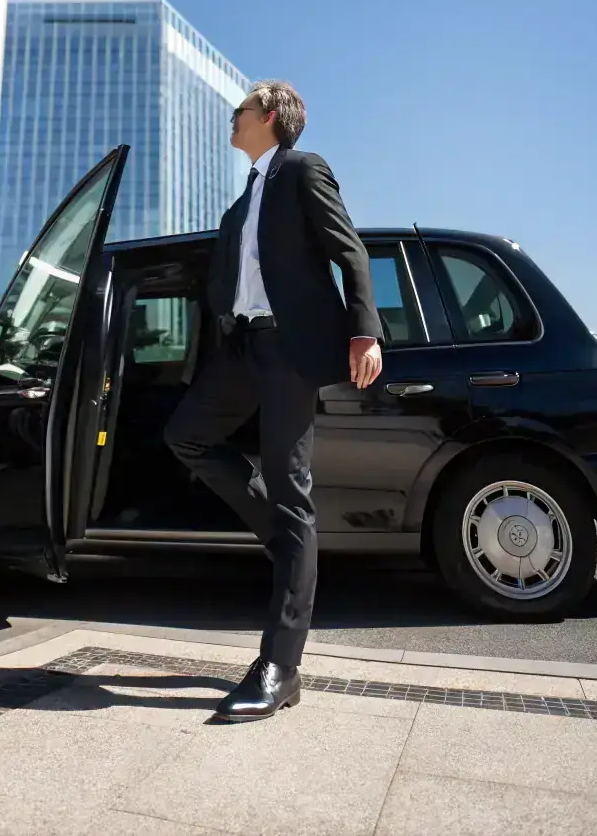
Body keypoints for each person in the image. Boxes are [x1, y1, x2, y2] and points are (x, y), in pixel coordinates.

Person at [165, 80, 382, 722]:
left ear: (266, 116)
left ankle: (280, 667)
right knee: (185, 435)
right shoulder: (243, 201)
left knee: (292, 491)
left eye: (239, 111)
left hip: (291, 349)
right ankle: (285, 538)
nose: (232, 119)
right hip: (244, 347)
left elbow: (349, 248)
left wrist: (364, 331)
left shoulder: (302, 171)